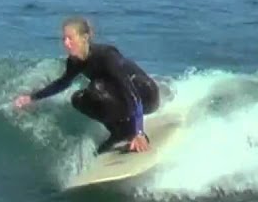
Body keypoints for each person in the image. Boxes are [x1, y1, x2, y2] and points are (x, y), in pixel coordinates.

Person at [13, 16, 161, 154]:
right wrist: (32, 98)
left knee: (96, 89)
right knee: (78, 99)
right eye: (63, 39)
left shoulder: (106, 55)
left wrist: (139, 132)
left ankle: (134, 133)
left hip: (145, 93)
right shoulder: (74, 61)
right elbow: (62, 83)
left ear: (85, 38)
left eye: (70, 38)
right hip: (123, 97)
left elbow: (130, 91)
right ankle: (119, 132)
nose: (66, 43)